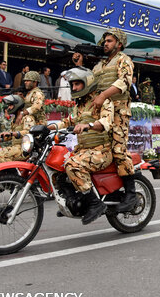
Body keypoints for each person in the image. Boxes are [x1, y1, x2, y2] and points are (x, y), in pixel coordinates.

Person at [49, 67, 115, 224]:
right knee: (57, 168)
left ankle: (94, 203)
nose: (74, 88)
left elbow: (106, 121)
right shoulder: (79, 106)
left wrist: (89, 125)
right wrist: (49, 127)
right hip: (83, 151)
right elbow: (68, 121)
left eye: (77, 84)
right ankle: (73, 201)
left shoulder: (103, 101)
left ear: (87, 83)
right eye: (72, 85)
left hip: (102, 150)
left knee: (72, 165)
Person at [91, 27, 137, 211]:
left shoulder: (124, 60)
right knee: (99, 149)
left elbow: (124, 82)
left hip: (118, 113)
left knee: (118, 150)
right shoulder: (99, 65)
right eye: (105, 41)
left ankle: (131, 193)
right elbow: (89, 84)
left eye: (109, 41)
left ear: (119, 44)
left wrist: (103, 95)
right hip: (101, 113)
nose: (105, 44)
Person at [0, 95, 36, 163]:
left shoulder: (27, 118)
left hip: (24, 148)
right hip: (15, 147)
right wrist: (0, 138)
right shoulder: (13, 119)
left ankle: (12, 174)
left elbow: (29, 132)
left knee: (2, 155)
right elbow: (11, 135)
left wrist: (13, 133)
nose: (9, 107)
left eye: (11, 105)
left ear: (17, 105)